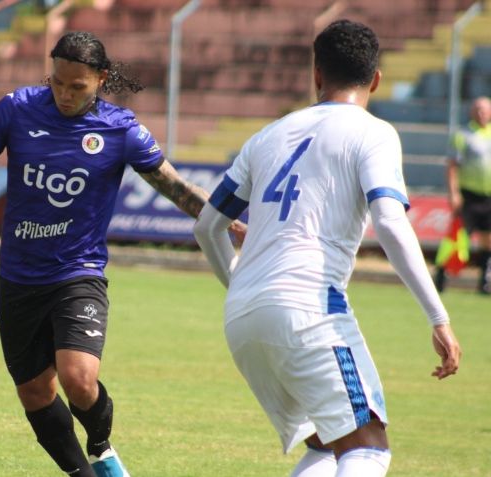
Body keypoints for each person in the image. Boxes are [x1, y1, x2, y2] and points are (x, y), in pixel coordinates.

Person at [0, 31, 238, 477]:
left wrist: (224, 217)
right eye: (58, 82)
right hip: (18, 277)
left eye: (78, 86)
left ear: (101, 79)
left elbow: (176, 187)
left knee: (78, 379)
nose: (65, 94)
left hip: (78, 273)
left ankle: (100, 444)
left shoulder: (121, 129)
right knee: (35, 392)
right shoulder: (15, 109)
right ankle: (84, 474)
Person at [193, 20, 461, 477]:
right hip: (308, 307)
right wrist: (439, 318)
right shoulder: (373, 133)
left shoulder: (269, 135)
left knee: (326, 444)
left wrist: (243, 281)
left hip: (242, 315)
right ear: (376, 79)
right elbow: (392, 224)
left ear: (316, 74)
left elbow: (207, 227)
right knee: (368, 446)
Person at [433, 96, 491, 295]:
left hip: (489, 196)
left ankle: (484, 282)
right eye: (477, 109)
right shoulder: (463, 135)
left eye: (484, 109)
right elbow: (452, 167)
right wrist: (454, 193)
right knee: (456, 237)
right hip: (469, 196)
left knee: (487, 239)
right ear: (471, 112)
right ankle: (441, 275)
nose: (481, 113)